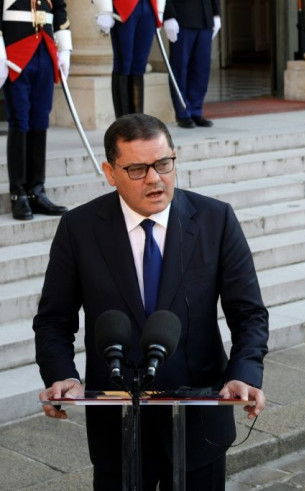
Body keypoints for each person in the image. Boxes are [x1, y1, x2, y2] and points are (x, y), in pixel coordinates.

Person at [34, 113, 269, 489]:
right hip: (118, 427)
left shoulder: (215, 219)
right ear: (110, 172)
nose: (156, 179)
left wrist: (244, 373)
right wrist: (63, 375)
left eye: (164, 163)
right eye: (138, 169)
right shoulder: (78, 229)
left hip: (198, 424)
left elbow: (249, 314)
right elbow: (53, 321)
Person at [1, 0, 71, 220]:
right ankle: (18, 193)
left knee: (40, 119)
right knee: (20, 120)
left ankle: (36, 190)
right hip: (15, 49)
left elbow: (59, 7)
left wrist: (65, 46)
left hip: (45, 48)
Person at [93, 0, 164, 118]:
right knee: (123, 64)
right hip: (123, 6)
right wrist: (104, 9)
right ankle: (123, 122)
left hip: (149, 6)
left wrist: (160, 9)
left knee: (139, 66)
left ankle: (137, 121)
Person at [163, 0, 221, 128]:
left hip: (205, 17)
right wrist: (168, 15)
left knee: (201, 69)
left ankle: (196, 110)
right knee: (180, 68)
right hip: (181, 17)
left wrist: (216, 13)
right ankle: (183, 112)